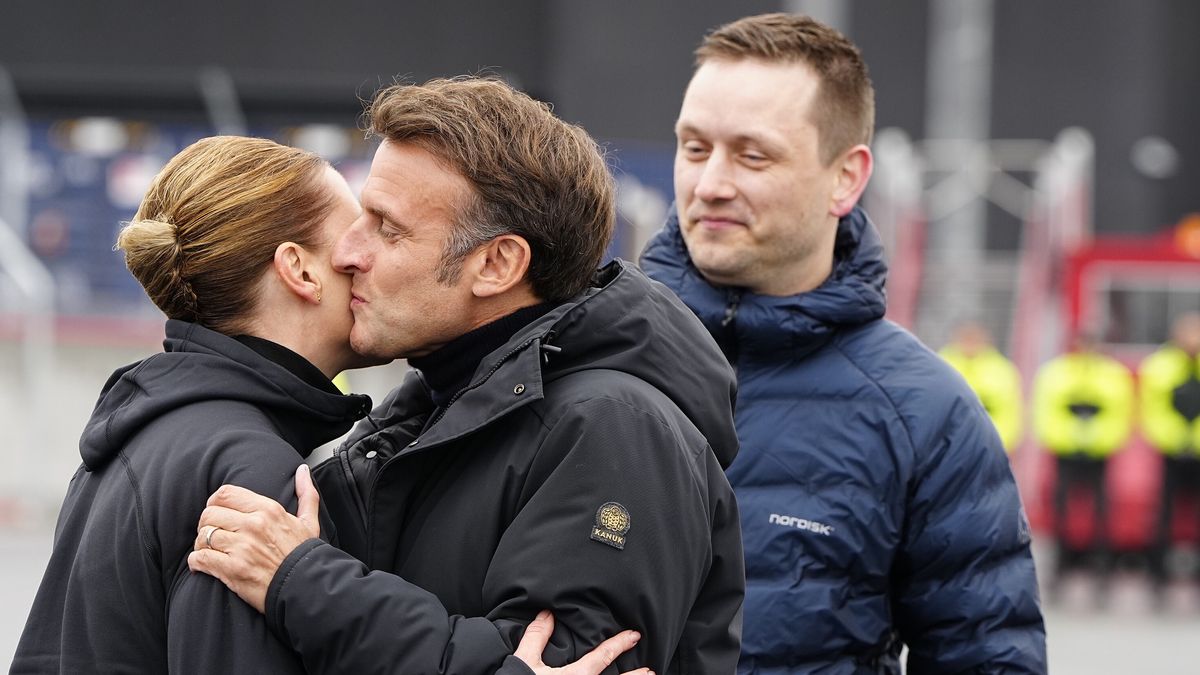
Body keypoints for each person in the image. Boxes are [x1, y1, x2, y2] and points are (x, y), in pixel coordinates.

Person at [11, 135, 647, 675]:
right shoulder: (252, 470)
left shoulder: (149, 429)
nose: (362, 257)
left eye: (384, 231)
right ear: (301, 271)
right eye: (354, 234)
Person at [188, 76, 745, 674]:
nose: (347, 253)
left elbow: (565, 662)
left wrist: (306, 586)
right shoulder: (434, 405)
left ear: (497, 263)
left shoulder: (615, 430)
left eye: (387, 227)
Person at [639, 13, 1046, 673]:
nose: (710, 182)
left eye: (752, 154)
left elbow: (987, 656)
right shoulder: (572, 356)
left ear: (846, 178)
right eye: (694, 147)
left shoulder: (925, 414)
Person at [1031, 331, 1134, 597]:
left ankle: (1100, 566)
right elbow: (1047, 412)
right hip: (1066, 453)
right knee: (1061, 510)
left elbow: (1120, 413)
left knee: (1101, 512)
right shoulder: (1057, 373)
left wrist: (1094, 438)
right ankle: (1060, 565)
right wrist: (1073, 437)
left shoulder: (1112, 374)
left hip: (1099, 453)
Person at [1139, 312, 1200, 595]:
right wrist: (1178, 438)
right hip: (1171, 453)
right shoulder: (1161, 365)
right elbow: (1153, 409)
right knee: (1163, 515)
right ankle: (1157, 576)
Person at [939, 320, 1024, 452]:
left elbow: (1009, 414)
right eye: (966, 339)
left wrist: (995, 443)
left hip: (985, 448)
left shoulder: (1001, 370)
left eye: (974, 339)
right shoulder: (940, 364)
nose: (970, 344)